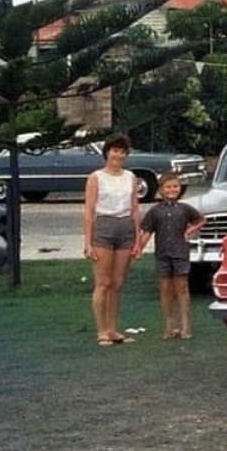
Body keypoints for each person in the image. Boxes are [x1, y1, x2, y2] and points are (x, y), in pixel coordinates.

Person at [81, 133, 141, 346]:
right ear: (107, 152)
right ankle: (102, 331)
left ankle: (113, 329)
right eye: (115, 151)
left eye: (123, 152)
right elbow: (89, 210)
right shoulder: (96, 177)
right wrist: (88, 242)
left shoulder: (130, 177)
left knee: (117, 283)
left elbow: (135, 208)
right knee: (103, 283)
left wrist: (137, 240)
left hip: (125, 228)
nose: (118, 155)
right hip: (104, 228)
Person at [135, 172, 204, 339]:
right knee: (165, 290)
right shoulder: (155, 211)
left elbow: (201, 220)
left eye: (175, 186)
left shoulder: (184, 208)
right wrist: (138, 249)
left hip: (180, 253)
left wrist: (190, 231)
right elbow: (147, 232)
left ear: (180, 189)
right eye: (168, 187)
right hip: (162, 254)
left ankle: (185, 326)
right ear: (161, 190)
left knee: (182, 288)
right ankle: (169, 326)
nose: (172, 190)